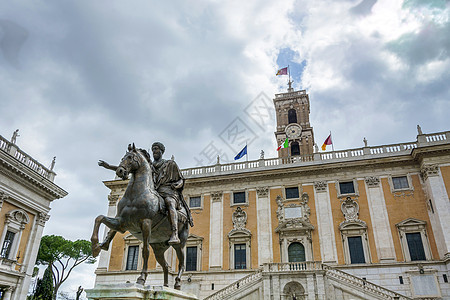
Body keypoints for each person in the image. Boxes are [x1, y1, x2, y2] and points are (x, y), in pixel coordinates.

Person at [98, 142, 193, 245]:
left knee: (169, 203)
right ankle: (108, 239)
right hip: (155, 191)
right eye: (153, 150)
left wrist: (177, 185)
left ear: (161, 151)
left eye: (156, 149)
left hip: (168, 191)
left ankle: (174, 233)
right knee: (123, 212)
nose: (154, 151)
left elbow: (181, 180)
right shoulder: (150, 166)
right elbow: (127, 166)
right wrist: (109, 167)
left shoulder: (170, 164)